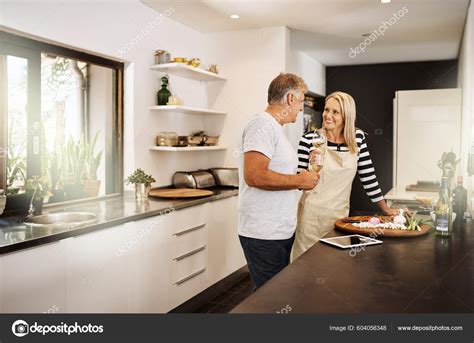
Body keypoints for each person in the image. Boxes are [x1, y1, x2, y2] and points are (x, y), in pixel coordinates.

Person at [291, 91, 397, 261]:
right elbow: (300, 182)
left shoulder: (357, 139)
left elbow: (368, 176)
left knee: (334, 265)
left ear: (346, 116)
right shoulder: (309, 140)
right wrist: (311, 168)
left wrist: (385, 209)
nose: (328, 115)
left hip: (339, 216)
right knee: (305, 266)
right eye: (326, 110)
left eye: (335, 112)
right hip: (310, 218)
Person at [238, 73, 319, 289]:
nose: (301, 108)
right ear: (291, 99)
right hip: (264, 233)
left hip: (278, 231)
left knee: (277, 295)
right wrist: (298, 181)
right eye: (301, 101)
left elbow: (277, 173)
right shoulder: (261, 125)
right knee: (271, 299)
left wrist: (303, 174)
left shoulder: (275, 129)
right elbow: (254, 175)